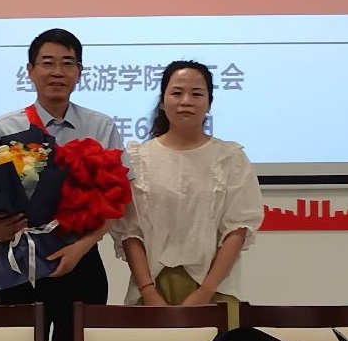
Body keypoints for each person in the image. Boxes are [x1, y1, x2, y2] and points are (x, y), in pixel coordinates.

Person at [0, 28, 122, 341]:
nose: (57, 72)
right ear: (30, 71)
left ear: (79, 72)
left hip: (82, 261)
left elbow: (116, 202)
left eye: (67, 63)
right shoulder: (4, 128)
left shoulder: (100, 127)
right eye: (47, 63)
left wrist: (80, 248)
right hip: (20, 263)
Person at [112, 60, 263, 326]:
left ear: (209, 103)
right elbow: (130, 232)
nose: (186, 101)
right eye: (177, 92)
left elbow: (237, 230)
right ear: (162, 101)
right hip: (151, 291)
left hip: (215, 290)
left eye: (196, 94)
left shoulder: (230, 157)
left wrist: (205, 292)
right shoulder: (138, 158)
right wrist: (149, 292)